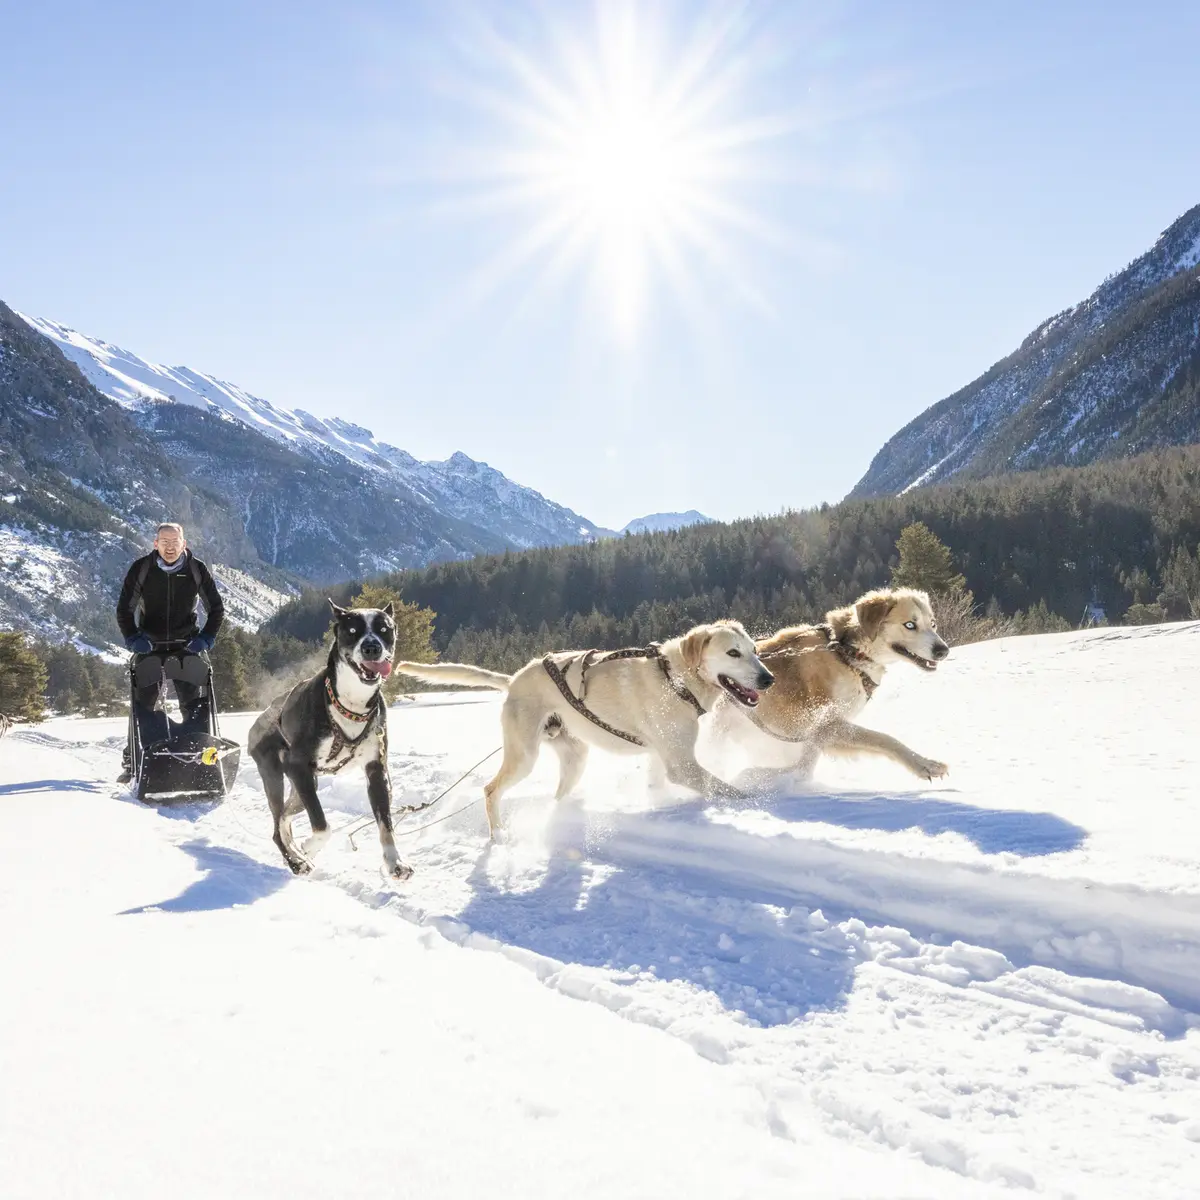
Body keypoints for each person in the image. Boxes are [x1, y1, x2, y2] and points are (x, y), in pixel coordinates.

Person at [115, 523, 224, 782]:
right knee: (142, 706)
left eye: (175, 541)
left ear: (184, 543)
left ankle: (200, 762)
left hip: (186, 646)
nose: (170, 547)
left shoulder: (196, 569)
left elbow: (216, 609)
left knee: (194, 706)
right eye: (164, 541)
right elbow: (124, 609)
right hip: (149, 647)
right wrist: (133, 637)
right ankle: (133, 763)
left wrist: (206, 638)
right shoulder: (142, 569)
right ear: (155, 544)